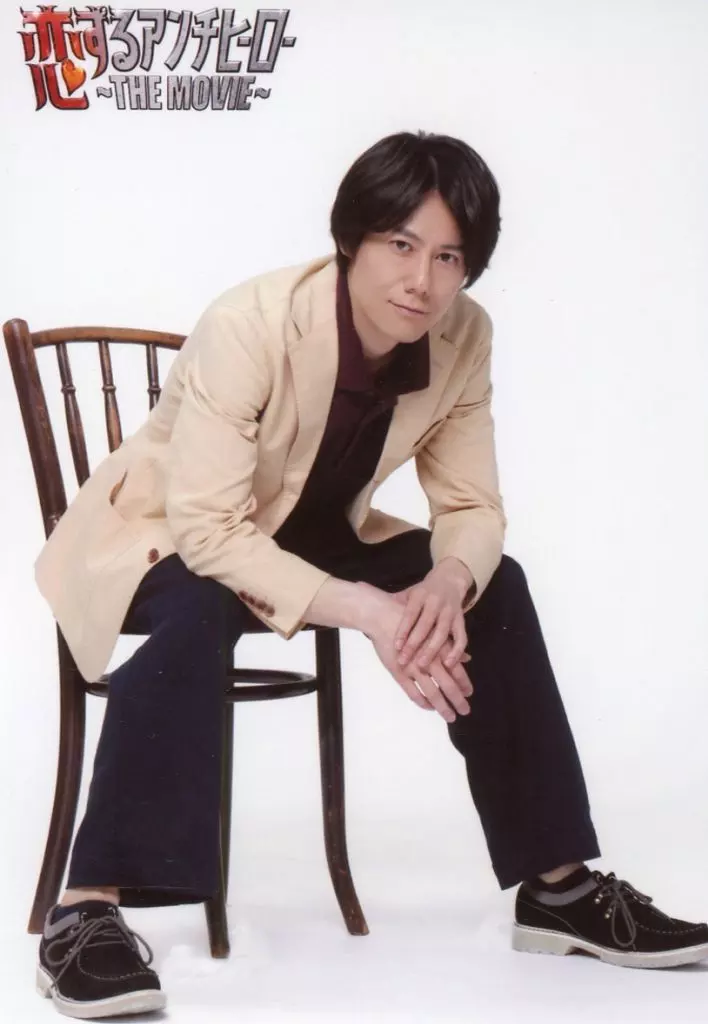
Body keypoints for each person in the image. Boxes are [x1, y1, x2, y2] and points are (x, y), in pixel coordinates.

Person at [33, 130, 708, 1018]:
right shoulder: (248, 325)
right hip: (162, 536)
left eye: (449, 257)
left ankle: (560, 888)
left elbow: (472, 505)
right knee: (199, 607)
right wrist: (373, 613)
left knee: (496, 584)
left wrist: (443, 587)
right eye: (400, 244)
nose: (421, 281)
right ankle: (87, 910)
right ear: (351, 238)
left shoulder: (463, 336)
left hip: (314, 534)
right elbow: (208, 530)